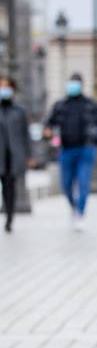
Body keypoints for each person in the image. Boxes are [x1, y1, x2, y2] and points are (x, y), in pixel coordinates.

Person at [44, 73, 97, 230]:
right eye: (71, 84)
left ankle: (80, 212)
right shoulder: (60, 105)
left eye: (75, 84)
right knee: (66, 185)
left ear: (81, 85)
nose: (73, 87)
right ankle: (74, 207)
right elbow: (49, 124)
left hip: (85, 148)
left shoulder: (90, 105)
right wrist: (48, 132)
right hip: (66, 149)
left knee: (83, 182)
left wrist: (96, 142)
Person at [0, 76, 33, 233]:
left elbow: (26, 135)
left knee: (9, 187)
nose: (4, 89)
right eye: (1, 86)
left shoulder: (19, 111)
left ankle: (9, 216)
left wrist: (30, 156)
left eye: (7, 86)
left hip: (12, 155)